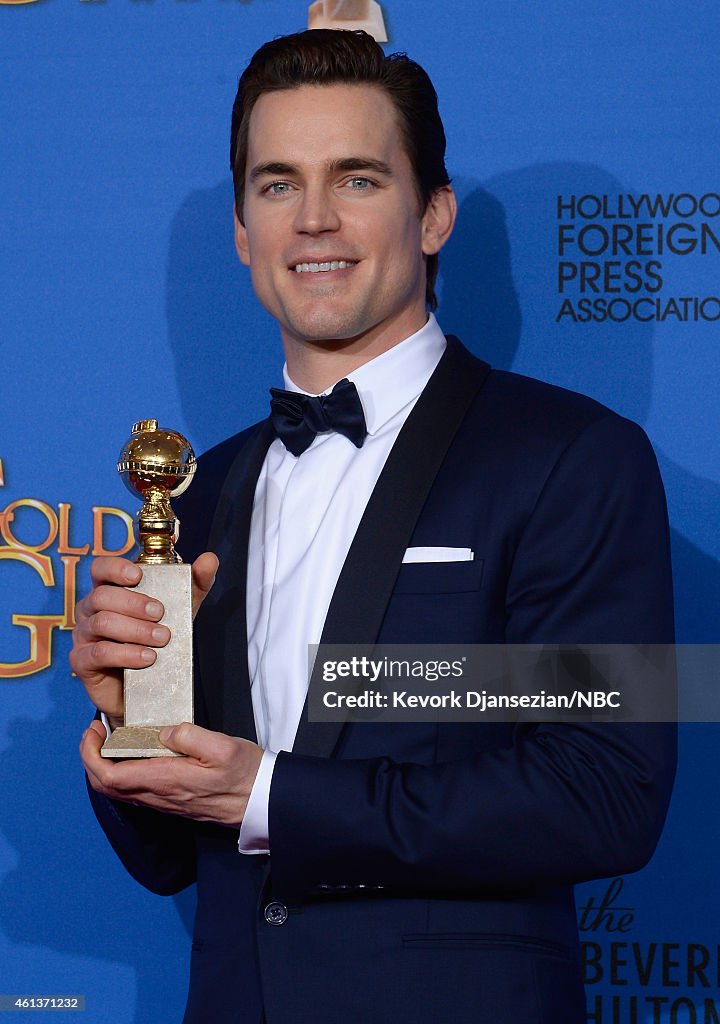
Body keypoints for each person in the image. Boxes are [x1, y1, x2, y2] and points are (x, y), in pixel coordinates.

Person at [71, 29, 676, 1024]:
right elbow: (170, 861)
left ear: (432, 214)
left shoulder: (572, 456)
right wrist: (125, 731)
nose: (314, 218)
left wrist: (270, 793)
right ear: (240, 228)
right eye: (277, 184)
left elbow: (605, 790)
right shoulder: (199, 490)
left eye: (356, 179)